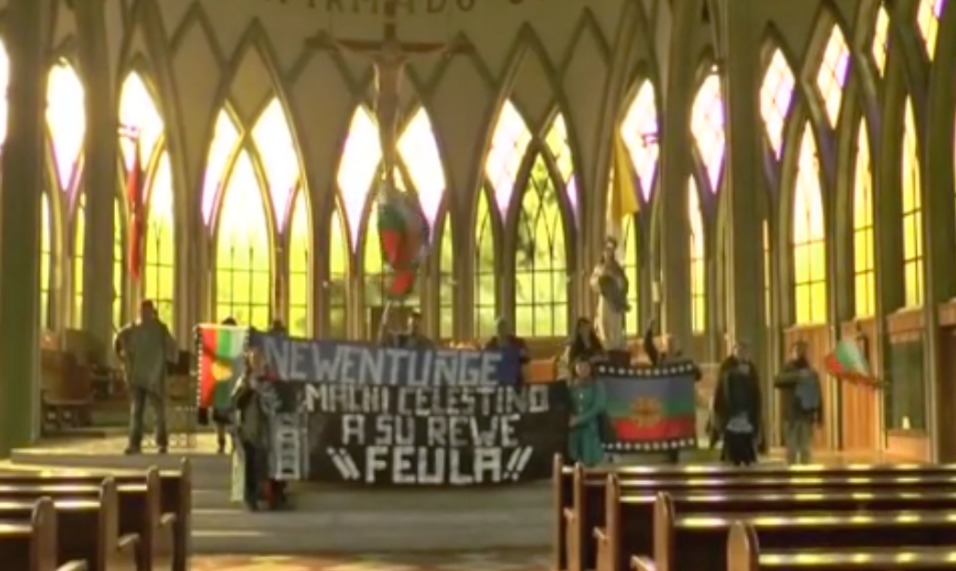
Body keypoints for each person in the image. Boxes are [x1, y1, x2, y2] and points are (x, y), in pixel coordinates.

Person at [114, 300, 177, 455]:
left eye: (147, 311)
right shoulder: (132, 329)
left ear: (152, 312)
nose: (145, 314)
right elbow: (118, 340)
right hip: (137, 376)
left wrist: (171, 362)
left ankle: (162, 443)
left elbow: (172, 346)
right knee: (137, 412)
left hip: (155, 376)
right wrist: (122, 358)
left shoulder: (160, 329)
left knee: (159, 412)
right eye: (142, 311)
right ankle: (134, 444)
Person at [231, 349, 270, 511]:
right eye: (254, 359)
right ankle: (251, 497)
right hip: (248, 427)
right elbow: (235, 402)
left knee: (261, 464)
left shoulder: (267, 380)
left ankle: (264, 495)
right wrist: (249, 390)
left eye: (259, 359)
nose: (257, 362)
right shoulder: (244, 380)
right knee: (250, 465)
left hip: (264, 427)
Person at [712, 342, 763, 466]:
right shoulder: (727, 367)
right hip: (731, 413)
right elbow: (722, 388)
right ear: (734, 352)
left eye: (744, 352)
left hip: (747, 412)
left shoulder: (751, 368)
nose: (742, 354)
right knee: (732, 447)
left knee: (747, 445)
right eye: (739, 351)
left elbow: (755, 390)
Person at [775, 341, 822, 465]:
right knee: (792, 448)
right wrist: (798, 376)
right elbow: (778, 381)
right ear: (792, 353)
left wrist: (819, 415)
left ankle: (805, 474)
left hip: (806, 414)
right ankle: (790, 474)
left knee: (806, 448)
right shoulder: (787, 368)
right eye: (797, 350)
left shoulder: (812, 371)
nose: (801, 353)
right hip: (791, 414)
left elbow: (818, 394)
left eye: (803, 350)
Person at [590, 237, 630, 353]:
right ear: (603, 252)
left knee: (615, 325)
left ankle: (615, 346)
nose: (608, 253)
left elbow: (624, 284)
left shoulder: (618, 269)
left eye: (611, 250)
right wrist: (600, 281)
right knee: (604, 323)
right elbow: (593, 282)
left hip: (615, 301)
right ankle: (606, 345)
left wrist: (618, 281)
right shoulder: (599, 268)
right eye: (606, 250)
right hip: (605, 300)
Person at [567, 359, 608, 467]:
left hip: (590, 429)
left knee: (590, 463)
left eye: (586, 366)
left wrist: (579, 420)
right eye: (580, 366)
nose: (583, 369)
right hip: (573, 431)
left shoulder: (597, 384)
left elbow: (599, 406)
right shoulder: (570, 385)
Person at [485, 317, 530, 387]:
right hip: (496, 382)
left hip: (515, 382)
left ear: (508, 329)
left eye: (504, 328)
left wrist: (523, 353)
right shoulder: (490, 345)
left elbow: (526, 359)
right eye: (500, 328)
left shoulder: (518, 343)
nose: (502, 331)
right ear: (496, 330)